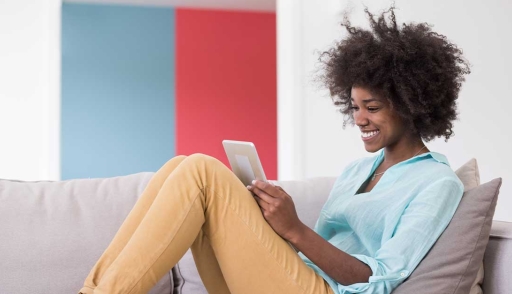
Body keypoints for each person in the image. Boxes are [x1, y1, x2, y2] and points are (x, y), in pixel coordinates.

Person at [78, 5, 470, 294]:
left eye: (373, 108)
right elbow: (310, 251)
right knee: (179, 166)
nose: (360, 120)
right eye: (354, 107)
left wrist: (295, 229)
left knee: (200, 170)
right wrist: (265, 222)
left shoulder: (437, 184)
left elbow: (380, 278)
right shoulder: (357, 170)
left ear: (412, 104)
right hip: (289, 278)